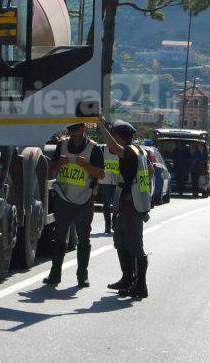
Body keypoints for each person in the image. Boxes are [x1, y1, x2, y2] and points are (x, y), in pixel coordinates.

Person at [43, 123, 105, 288]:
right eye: (70, 130)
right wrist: (59, 163)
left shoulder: (94, 149)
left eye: (76, 130)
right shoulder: (62, 145)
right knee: (60, 237)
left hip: (84, 200)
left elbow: (101, 174)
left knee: (84, 238)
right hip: (64, 198)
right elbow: (52, 168)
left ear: (84, 129)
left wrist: (86, 166)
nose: (73, 133)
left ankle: (82, 276)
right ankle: (54, 274)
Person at [98, 117, 152, 299]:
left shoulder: (130, 151)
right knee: (121, 240)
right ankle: (128, 279)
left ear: (120, 138)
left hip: (132, 203)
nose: (113, 138)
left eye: (114, 136)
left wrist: (101, 126)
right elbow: (150, 171)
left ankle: (140, 286)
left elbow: (113, 148)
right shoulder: (140, 151)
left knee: (135, 245)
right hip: (130, 201)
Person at [99, 142, 121, 234]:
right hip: (104, 181)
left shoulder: (120, 150)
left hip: (116, 182)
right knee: (106, 204)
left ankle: (114, 223)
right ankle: (107, 227)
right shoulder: (103, 149)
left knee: (116, 204)